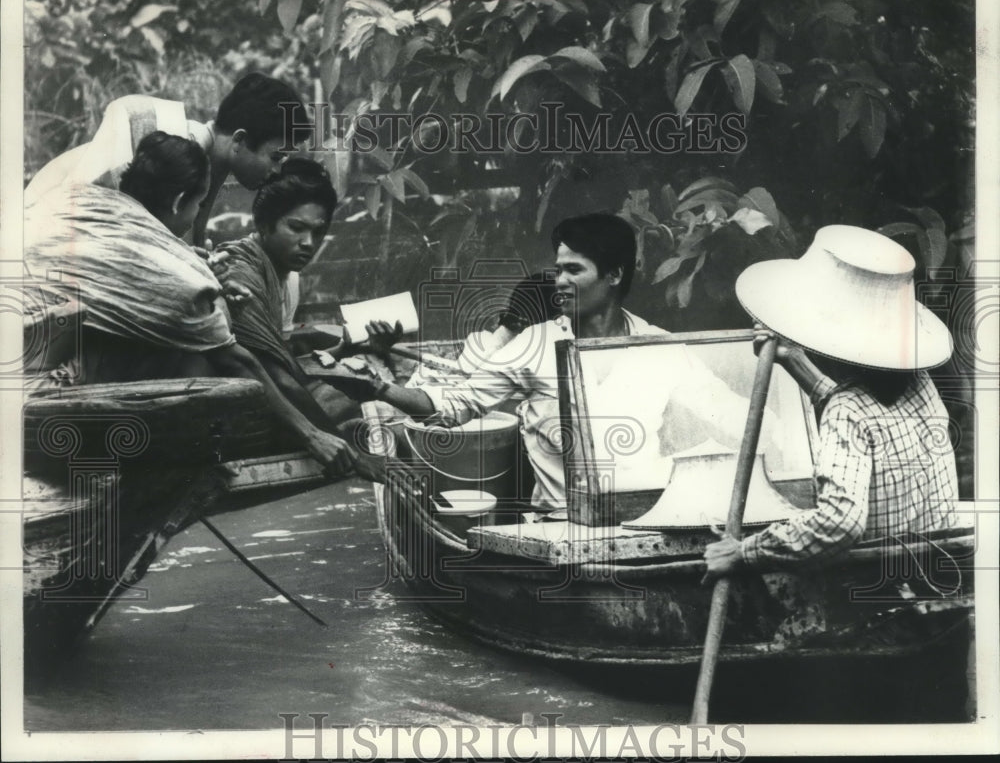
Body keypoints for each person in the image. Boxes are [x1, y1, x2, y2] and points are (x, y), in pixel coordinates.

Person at [360, 214, 755, 511]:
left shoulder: (661, 346)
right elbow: (449, 408)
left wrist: (775, 431)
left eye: (574, 270)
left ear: (614, 275)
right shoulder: (534, 343)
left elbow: (726, 413)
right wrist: (378, 388)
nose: (560, 281)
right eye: (558, 269)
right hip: (560, 527)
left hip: (644, 517)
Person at [24, 132, 355, 476]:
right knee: (198, 364)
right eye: (198, 205)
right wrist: (313, 436)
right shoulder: (182, 277)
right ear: (180, 199)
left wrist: (193, 269)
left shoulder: (81, 199)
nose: (198, 215)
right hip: (37, 400)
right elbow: (241, 363)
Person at [703, 224, 959, 579]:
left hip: (886, 596)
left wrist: (745, 552)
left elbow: (839, 524)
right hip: (937, 575)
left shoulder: (847, 410)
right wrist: (794, 360)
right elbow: (865, 415)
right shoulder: (919, 381)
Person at [24, 72, 306, 250]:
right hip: (44, 228)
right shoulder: (172, 146)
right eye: (276, 156)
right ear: (240, 140)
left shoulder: (212, 163)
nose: (277, 170)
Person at [216, 158, 360, 430]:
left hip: (269, 394)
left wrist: (342, 350)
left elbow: (284, 362)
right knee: (351, 402)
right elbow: (274, 376)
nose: (308, 243)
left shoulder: (290, 277)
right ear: (263, 223)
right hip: (234, 408)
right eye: (296, 228)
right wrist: (333, 441)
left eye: (318, 232)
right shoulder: (240, 273)